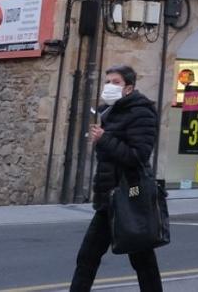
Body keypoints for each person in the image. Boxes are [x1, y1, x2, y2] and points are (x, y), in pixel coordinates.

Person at [70, 65, 163, 292]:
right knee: (88, 256)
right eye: (107, 82)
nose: (109, 86)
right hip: (109, 197)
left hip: (129, 195)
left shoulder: (142, 113)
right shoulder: (108, 112)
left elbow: (137, 156)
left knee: (142, 261)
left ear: (128, 88)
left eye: (115, 82)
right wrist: (103, 140)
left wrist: (104, 139)